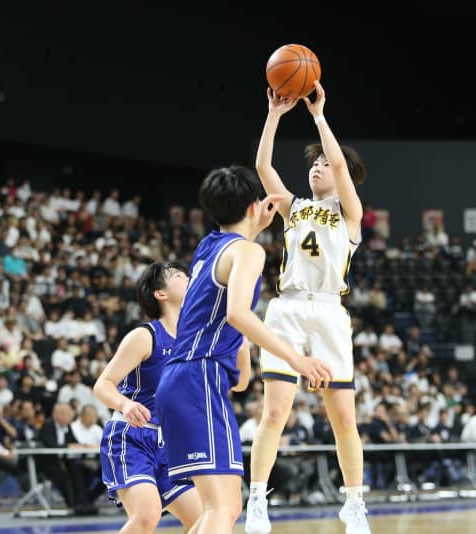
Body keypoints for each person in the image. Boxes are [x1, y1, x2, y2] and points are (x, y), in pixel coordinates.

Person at [154, 167, 331, 534]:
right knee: (224, 506)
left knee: (217, 507)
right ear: (254, 206)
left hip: (182, 376)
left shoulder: (209, 245)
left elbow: (219, 300)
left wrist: (253, 225)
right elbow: (236, 313)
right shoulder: (248, 253)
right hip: (198, 375)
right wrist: (296, 358)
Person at [248, 80, 371, 533]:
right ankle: (257, 501)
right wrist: (275, 115)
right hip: (288, 309)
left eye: (323, 164)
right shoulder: (295, 207)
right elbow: (263, 166)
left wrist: (319, 116)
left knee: (343, 418)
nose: (318, 168)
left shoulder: (350, 213)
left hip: (329, 312)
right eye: (314, 163)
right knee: (275, 413)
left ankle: (354, 504)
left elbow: (339, 162)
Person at [94, 261, 202, 533]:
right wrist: (125, 403)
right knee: (146, 516)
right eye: (178, 275)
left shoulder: (195, 340)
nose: (187, 278)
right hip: (132, 437)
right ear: (160, 294)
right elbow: (103, 385)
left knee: (204, 520)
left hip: (171, 444)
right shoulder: (145, 336)